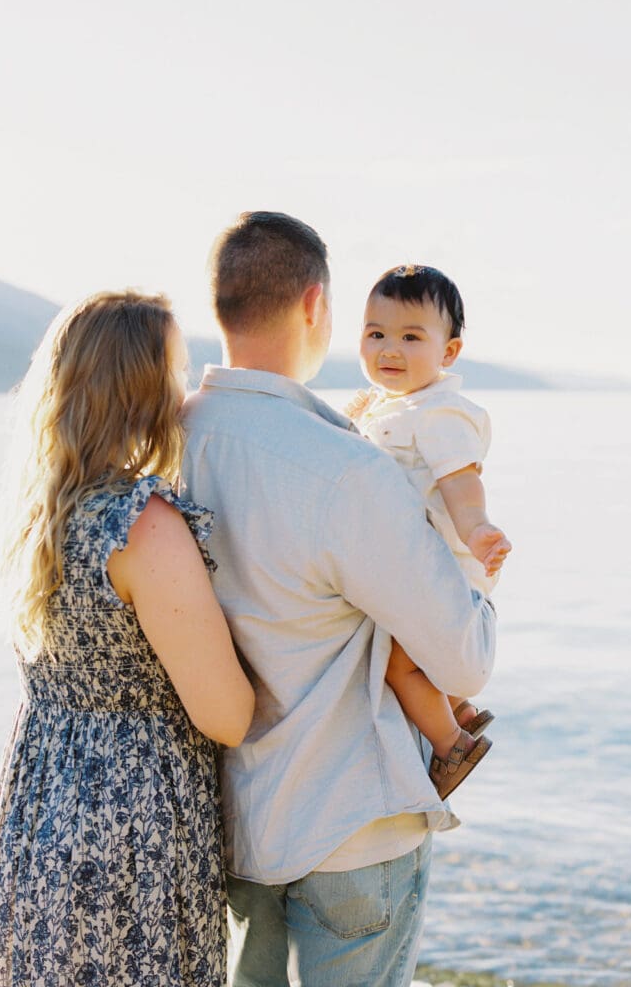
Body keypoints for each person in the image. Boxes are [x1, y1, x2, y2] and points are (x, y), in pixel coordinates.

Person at [180, 212, 497, 987]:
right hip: (349, 824)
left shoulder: (164, 441)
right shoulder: (347, 469)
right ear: (316, 307)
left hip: (226, 825)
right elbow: (467, 658)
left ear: (218, 305)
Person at [0, 290, 254, 987]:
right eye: (177, 371)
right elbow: (226, 716)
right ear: (141, 388)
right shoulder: (143, 525)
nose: (186, 393)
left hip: (40, 808)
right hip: (130, 826)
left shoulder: (35, 517)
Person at [349, 264, 511, 800]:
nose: (389, 348)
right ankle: (457, 709)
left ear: (449, 352)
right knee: (405, 656)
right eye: (376, 334)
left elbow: (460, 483)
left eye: (410, 337)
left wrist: (479, 529)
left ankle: (450, 746)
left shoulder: (439, 415)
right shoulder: (392, 407)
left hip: (439, 577)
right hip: (418, 577)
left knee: (397, 663)